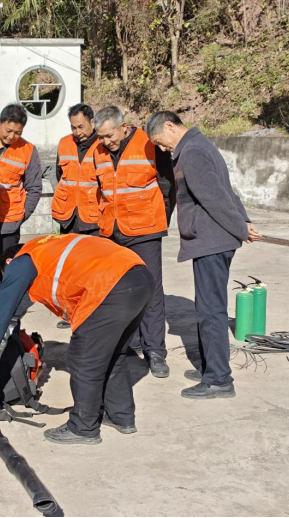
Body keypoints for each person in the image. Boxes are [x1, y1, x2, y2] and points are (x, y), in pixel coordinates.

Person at [0, 235, 154, 446]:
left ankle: (83, 428)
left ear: (9, 261)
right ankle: (121, 416)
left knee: (83, 359)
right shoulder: (48, 246)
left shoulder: (23, 261)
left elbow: (0, 314)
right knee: (114, 354)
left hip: (110, 286)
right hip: (141, 279)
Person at [145, 111, 261, 400]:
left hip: (212, 241)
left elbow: (216, 198)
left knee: (210, 312)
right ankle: (212, 368)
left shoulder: (192, 152)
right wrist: (243, 222)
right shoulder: (199, 145)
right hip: (213, 240)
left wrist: (240, 228)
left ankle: (219, 379)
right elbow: (227, 191)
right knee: (209, 309)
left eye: (160, 142)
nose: (162, 149)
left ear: (170, 126)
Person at [93, 106, 176, 379]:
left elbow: (168, 185)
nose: (105, 141)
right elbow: (101, 191)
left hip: (145, 231)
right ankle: (129, 343)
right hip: (112, 232)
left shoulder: (148, 144)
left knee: (151, 291)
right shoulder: (97, 152)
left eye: (109, 135)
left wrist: (159, 218)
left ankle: (155, 351)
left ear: (124, 126)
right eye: (101, 136)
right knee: (121, 291)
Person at [0, 103, 43, 299]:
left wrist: (22, 215)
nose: (12, 136)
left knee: (6, 268)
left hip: (8, 218)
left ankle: (4, 308)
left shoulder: (27, 150)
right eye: (8, 130)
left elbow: (34, 187)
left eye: (17, 133)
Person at [51, 104, 101, 329]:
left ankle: (93, 313)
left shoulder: (102, 144)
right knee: (70, 267)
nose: (77, 132)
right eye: (73, 127)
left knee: (94, 268)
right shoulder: (64, 143)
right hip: (69, 216)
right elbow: (60, 175)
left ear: (92, 122)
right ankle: (71, 313)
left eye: (81, 126)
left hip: (93, 217)